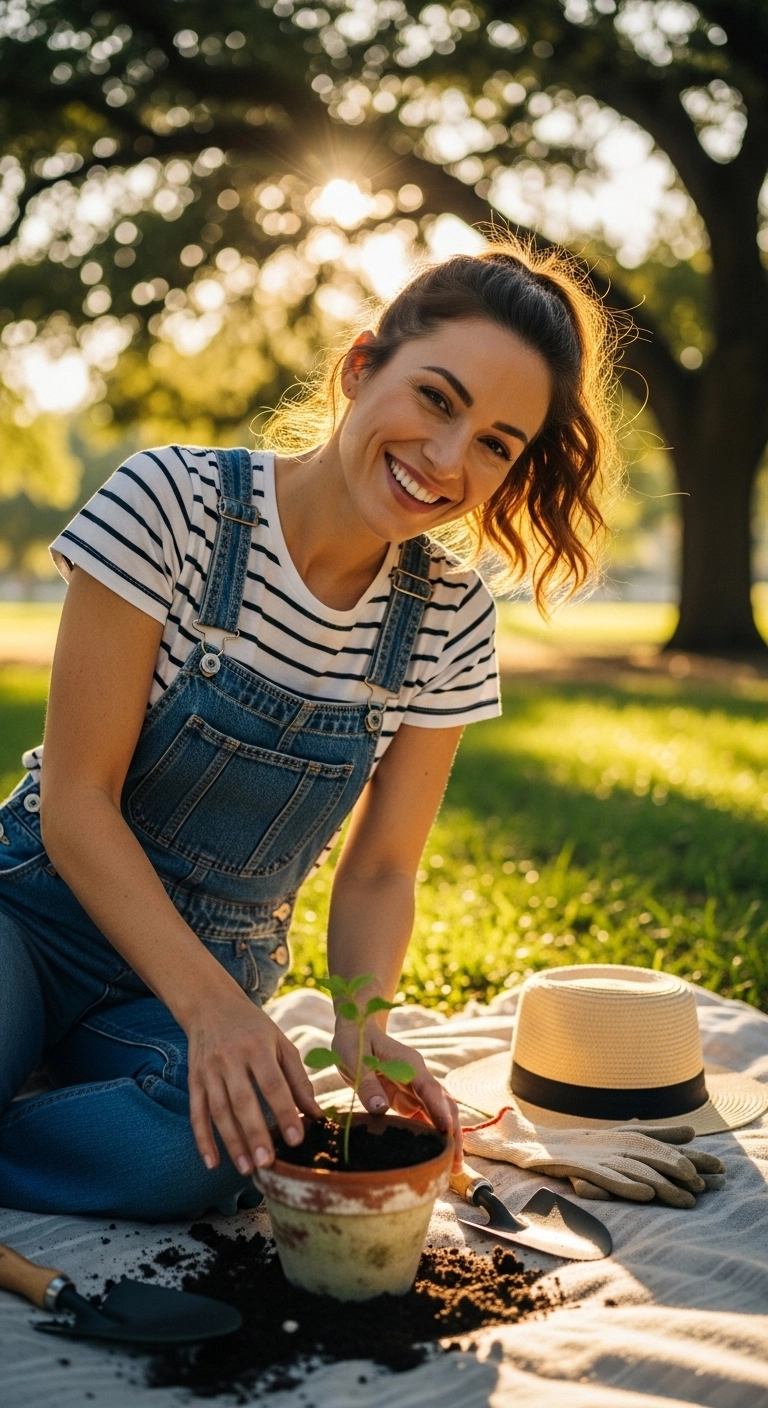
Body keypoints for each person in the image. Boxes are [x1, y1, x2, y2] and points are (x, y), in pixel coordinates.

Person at [0, 242, 617, 1220]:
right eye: (437, 399)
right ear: (361, 367)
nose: (448, 460)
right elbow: (77, 804)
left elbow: (380, 872)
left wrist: (363, 1027)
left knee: (218, 1148)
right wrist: (213, 1012)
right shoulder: (170, 503)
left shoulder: (449, 615)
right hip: (31, 921)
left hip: (207, 971)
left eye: (497, 443)